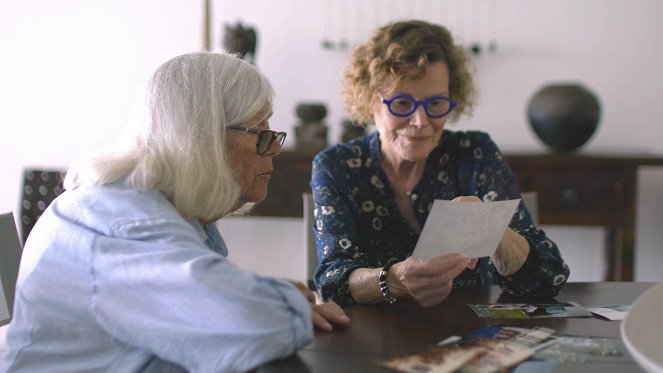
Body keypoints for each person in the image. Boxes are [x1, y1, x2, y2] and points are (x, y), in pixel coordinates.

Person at [1, 52, 349, 372]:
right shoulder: (119, 221)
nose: (273, 147)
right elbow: (254, 323)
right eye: (259, 132)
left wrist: (262, 295)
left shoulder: (158, 207)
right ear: (203, 138)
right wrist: (285, 303)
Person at [311, 20, 569, 308]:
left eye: (435, 104)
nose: (420, 122)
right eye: (401, 104)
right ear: (371, 101)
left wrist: (489, 226)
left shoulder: (475, 154)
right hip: (378, 339)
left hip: (471, 335)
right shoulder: (337, 166)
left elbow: (549, 276)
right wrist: (395, 279)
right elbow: (333, 282)